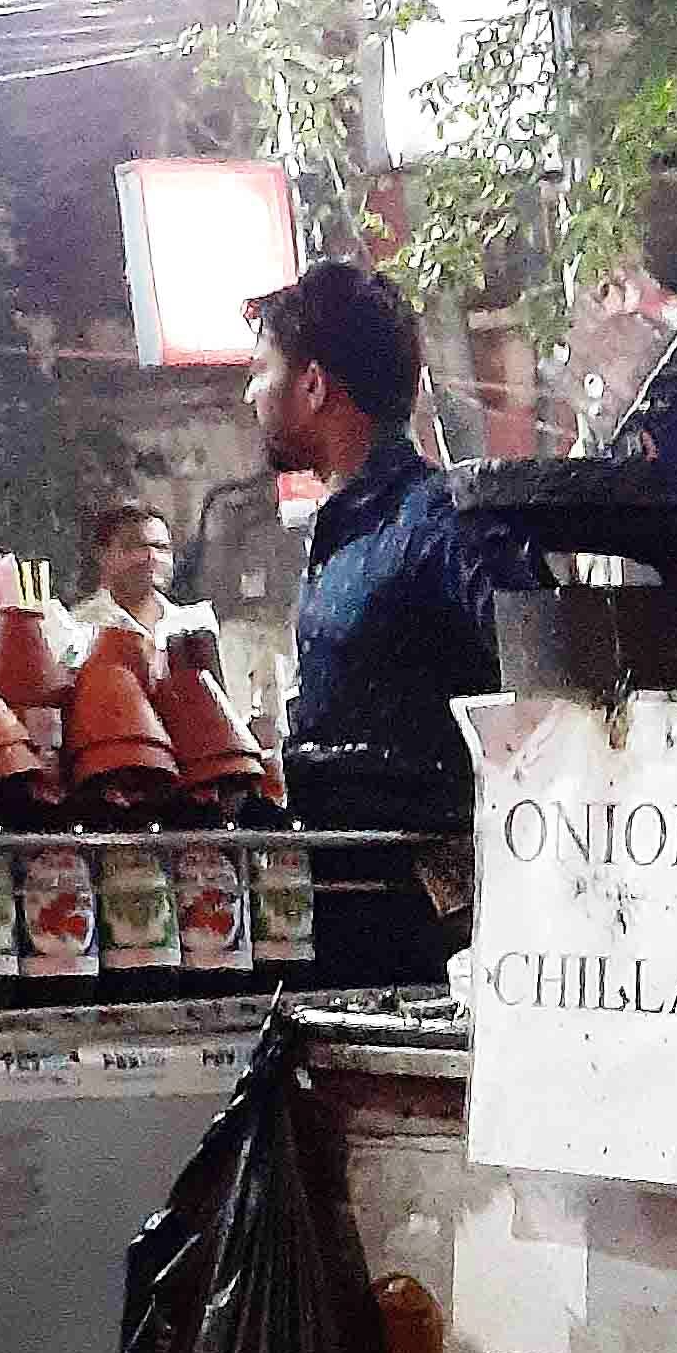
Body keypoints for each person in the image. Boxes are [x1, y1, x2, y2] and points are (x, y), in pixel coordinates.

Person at [245, 258, 538, 980]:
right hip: (347, 931)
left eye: (261, 371)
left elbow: (549, 683)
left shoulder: (444, 524)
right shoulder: (341, 534)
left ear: (313, 384)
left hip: (438, 951)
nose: (250, 394)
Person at [74, 501, 220, 650]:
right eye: (135, 546)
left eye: (161, 547)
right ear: (102, 554)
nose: (151, 557)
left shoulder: (195, 623)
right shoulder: (80, 627)